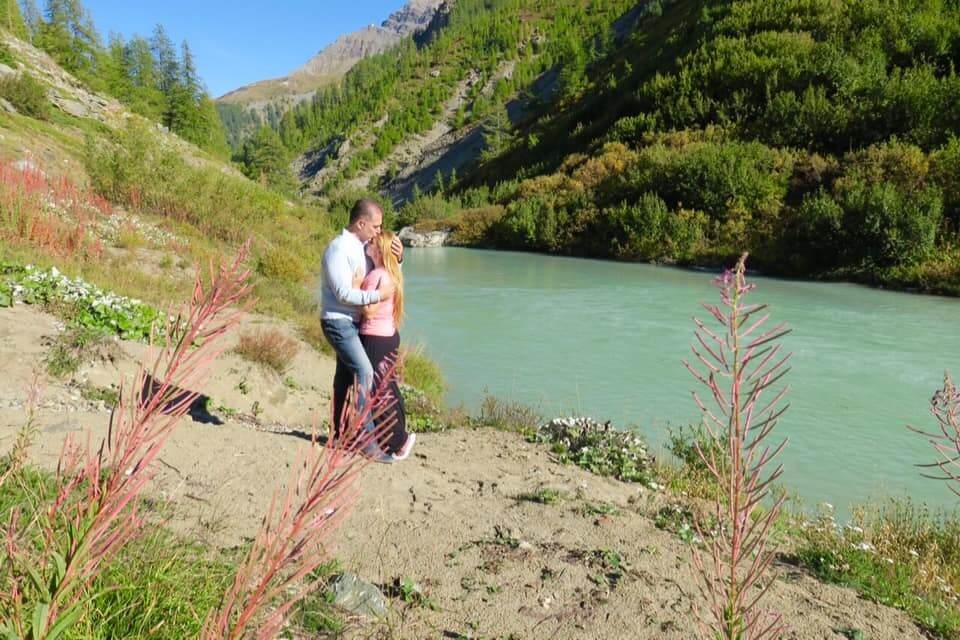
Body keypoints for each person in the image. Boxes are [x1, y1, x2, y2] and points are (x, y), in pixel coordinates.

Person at [319, 198, 399, 461]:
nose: (378, 231)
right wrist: (377, 296)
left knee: (344, 377)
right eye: (375, 226)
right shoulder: (338, 249)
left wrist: (400, 254)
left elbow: (382, 263)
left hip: (352, 322)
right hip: (337, 321)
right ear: (361, 223)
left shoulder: (362, 247)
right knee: (365, 371)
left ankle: (338, 434)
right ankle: (366, 441)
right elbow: (342, 293)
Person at [359, 230, 415, 461]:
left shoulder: (375, 276)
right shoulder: (392, 274)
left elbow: (368, 310)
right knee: (389, 388)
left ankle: (397, 440)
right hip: (388, 335)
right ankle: (397, 436)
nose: (367, 243)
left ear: (379, 251)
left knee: (379, 392)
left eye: (371, 242)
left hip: (374, 338)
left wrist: (355, 285)